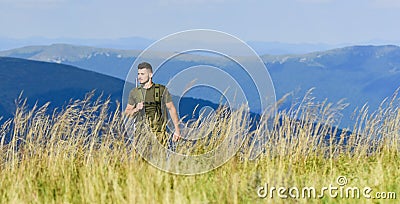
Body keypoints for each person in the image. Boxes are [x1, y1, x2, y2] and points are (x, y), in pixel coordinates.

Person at [125, 62, 181, 147]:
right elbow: (127, 112)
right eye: (138, 74)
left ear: (150, 75)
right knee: (140, 160)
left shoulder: (161, 90)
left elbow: (171, 109)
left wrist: (177, 130)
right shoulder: (135, 92)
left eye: (142, 74)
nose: (139, 76)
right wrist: (136, 109)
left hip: (159, 134)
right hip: (141, 134)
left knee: (159, 159)